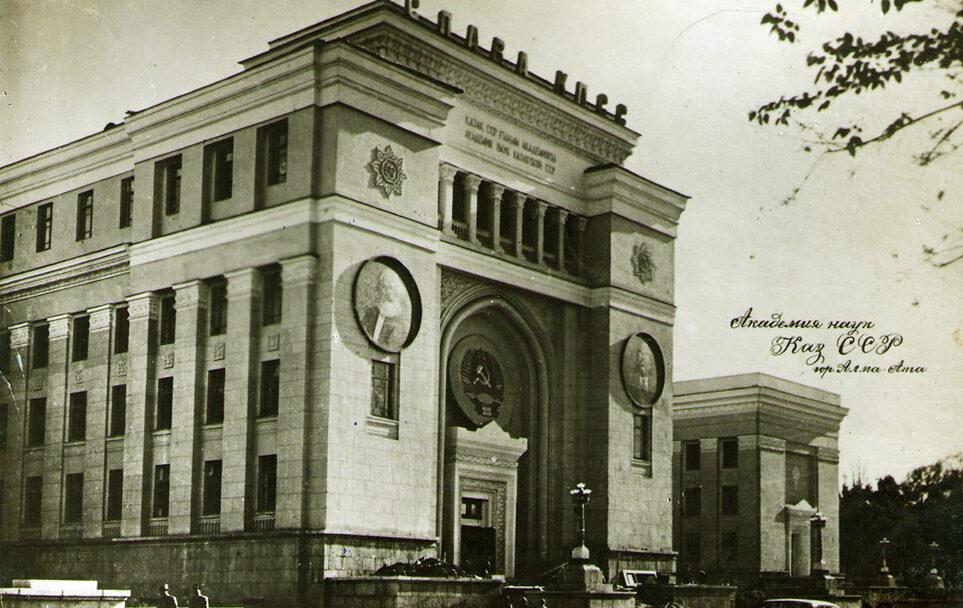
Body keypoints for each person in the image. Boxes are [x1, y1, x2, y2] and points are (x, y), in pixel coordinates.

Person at [361, 267, 408, 349]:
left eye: (391, 287)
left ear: (398, 289)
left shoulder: (401, 318)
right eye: (385, 287)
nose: (388, 291)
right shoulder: (372, 311)